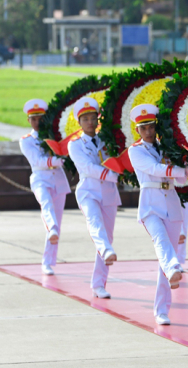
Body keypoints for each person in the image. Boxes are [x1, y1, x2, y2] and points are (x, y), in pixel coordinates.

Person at [128, 104, 188, 325]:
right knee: (161, 242)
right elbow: (154, 169)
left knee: (166, 254)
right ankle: (173, 266)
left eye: (151, 126)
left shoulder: (167, 147)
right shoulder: (135, 150)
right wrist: (180, 171)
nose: (148, 131)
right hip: (150, 205)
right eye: (143, 128)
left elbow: (181, 177)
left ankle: (162, 309)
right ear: (137, 130)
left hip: (171, 202)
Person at [67, 97, 121, 299]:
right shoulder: (75, 145)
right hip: (88, 191)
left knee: (108, 234)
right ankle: (105, 249)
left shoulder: (108, 140)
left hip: (108, 193)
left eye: (93, 118)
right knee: (95, 223)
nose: (90, 122)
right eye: (85, 119)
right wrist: (112, 175)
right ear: (79, 122)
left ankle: (98, 284)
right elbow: (87, 168)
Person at [19, 99, 72, 275]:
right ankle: (52, 228)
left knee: (58, 219)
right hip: (41, 179)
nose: (37, 122)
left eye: (40, 118)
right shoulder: (26, 140)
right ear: (28, 120)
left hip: (58, 179)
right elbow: (36, 161)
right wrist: (57, 160)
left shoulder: (55, 136)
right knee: (46, 205)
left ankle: (48, 262)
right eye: (33, 119)